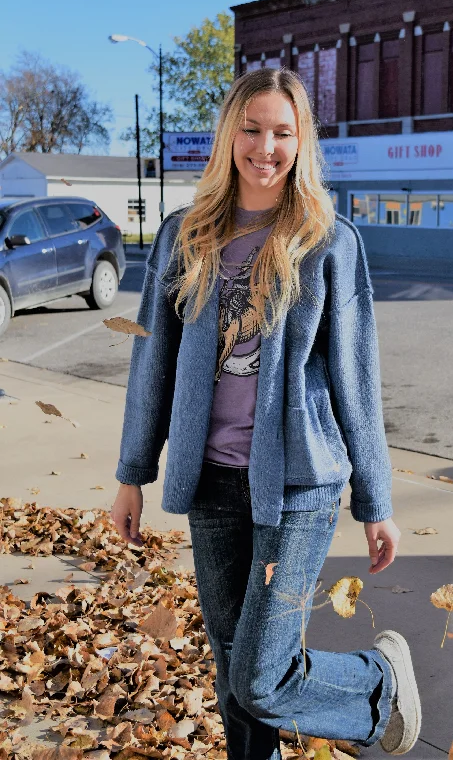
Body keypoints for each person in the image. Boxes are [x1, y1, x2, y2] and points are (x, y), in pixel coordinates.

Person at [110, 67, 421, 759]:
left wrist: (375, 499)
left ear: (301, 141)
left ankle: (378, 683)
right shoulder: (183, 236)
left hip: (298, 489)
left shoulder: (327, 242)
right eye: (250, 129)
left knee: (259, 677)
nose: (264, 147)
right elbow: (150, 368)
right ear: (228, 136)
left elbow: (355, 379)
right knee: (233, 668)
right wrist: (132, 473)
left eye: (282, 131)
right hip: (212, 484)